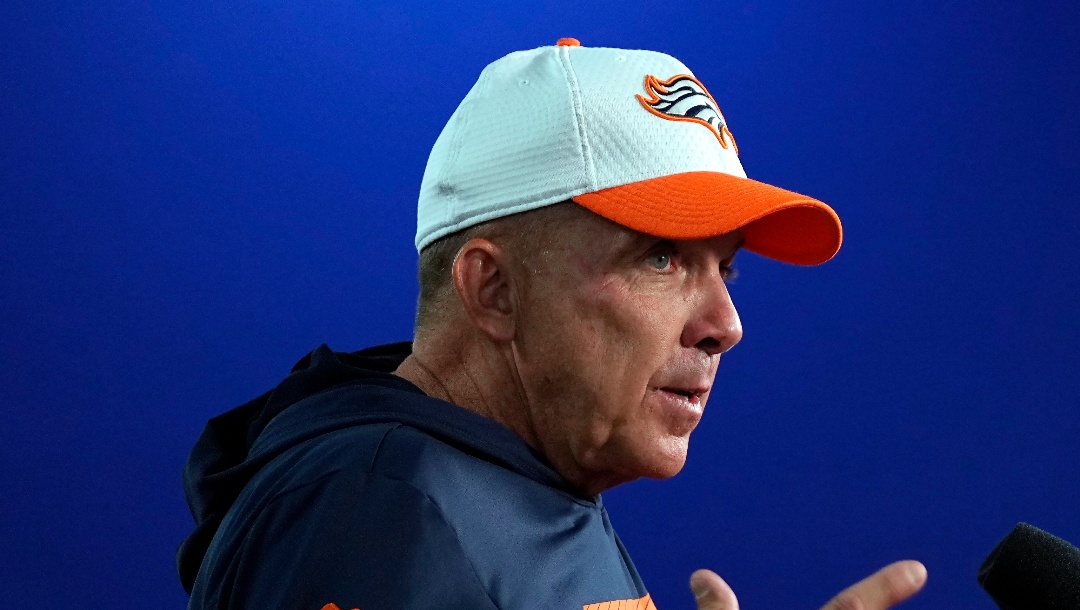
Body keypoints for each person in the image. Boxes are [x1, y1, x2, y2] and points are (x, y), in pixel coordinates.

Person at [178, 39, 927, 609]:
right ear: (494, 289)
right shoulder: (390, 513)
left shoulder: (493, 482)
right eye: (661, 259)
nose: (724, 324)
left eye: (725, 267)